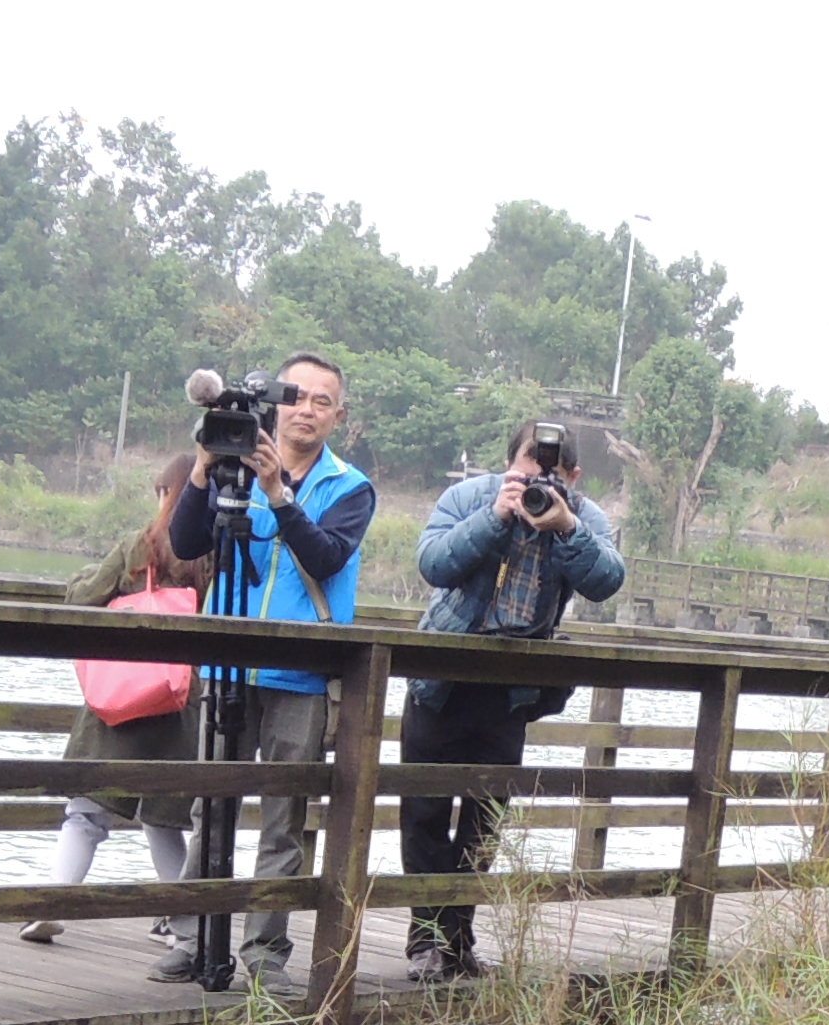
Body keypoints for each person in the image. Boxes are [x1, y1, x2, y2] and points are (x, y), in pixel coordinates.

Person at [159, 353, 372, 978]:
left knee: (284, 821)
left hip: (300, 672)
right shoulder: (234, 467)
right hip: (228, 664)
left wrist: (278, 493)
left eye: (321, 401)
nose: (305, 409)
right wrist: (204, 470)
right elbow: (186, 543)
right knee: (211, 807)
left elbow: (326, 556)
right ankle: (195, 941)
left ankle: (262, 953)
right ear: (275, 403)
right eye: (296, 395)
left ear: (339, 416)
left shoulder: (350, 487)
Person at [405, 418, 627, 979]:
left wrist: (566, 526)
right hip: (441, 677)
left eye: (549, 470)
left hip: (509, 693)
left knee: (485, 822)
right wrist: (494, 517)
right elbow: (433, 563)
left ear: (572, 476)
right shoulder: (470, 497)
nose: (535, 478)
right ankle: (425, 942)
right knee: (424, 812)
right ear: (509, 462)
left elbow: (607, 581)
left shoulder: (583, 518)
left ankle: (458, 942)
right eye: (527, 465)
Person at [20, 454, 203, 945]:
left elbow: (81, 597)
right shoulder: (216, 556)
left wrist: (84, 576)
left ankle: (55, 901)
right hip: (180, 706)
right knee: (163, 818)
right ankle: (185, 928)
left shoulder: (138, 548)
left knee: (87, 809)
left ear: (166, 494)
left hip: (119, 704)